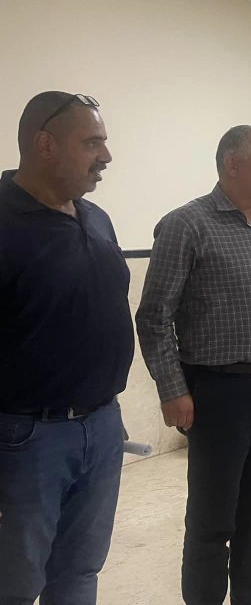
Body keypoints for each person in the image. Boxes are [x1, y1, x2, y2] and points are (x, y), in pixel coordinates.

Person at [136, 125, 251, 605]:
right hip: (218, 392)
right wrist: (172, 389)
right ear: (232, 164)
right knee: (213, 516)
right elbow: (154, 316)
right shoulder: (186, 225)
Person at [0, 91, 134, 604]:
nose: (106, 156)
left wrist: (105, 414)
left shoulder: (96, 218)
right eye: (92, 143)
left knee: (80, 570)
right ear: (45, 145)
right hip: (26, 438)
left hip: (101, 425)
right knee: (15, 581)